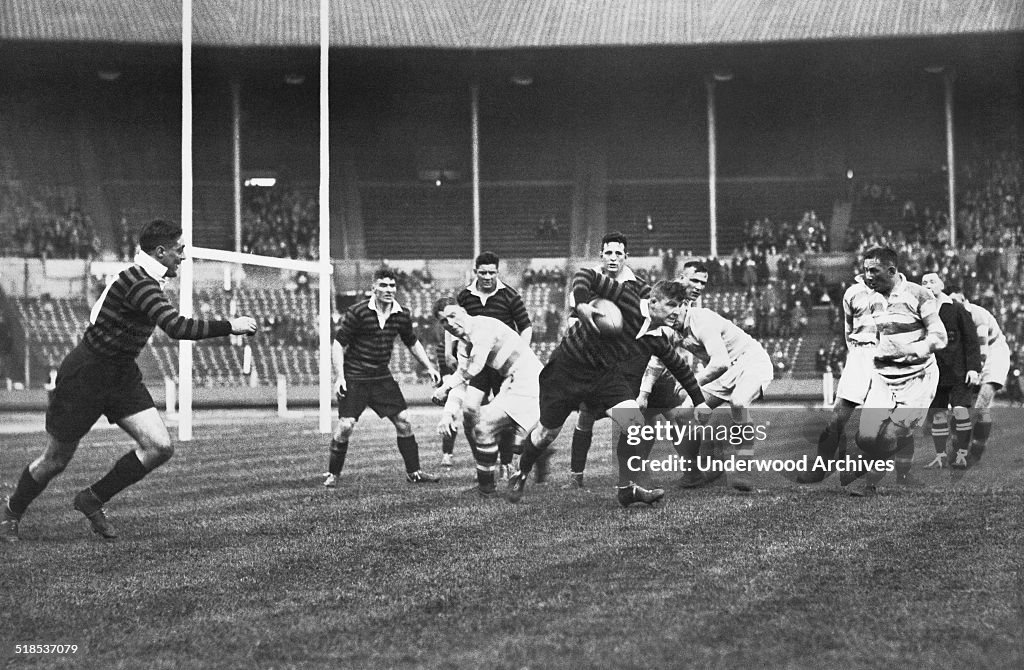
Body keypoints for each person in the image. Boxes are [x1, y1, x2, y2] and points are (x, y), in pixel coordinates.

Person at [1, 219, 258, 541]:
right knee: (54, 460)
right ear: (161, 252)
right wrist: (230, 325)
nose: (183, 257)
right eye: (180, 250)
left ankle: (92, 498)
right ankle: (11, 511)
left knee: (159, 447)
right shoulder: (140, 283)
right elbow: (176, 327)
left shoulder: (145, 279)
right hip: (86, 375)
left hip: (121, 373)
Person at [508, 274, 710, 506]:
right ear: (654, 302)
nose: (677, 312)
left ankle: (627, 490)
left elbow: (680, 367)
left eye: (680, 306)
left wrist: (700, 402)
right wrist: (582, 303)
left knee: (635, 425)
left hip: (603, 376)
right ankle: (521, 472)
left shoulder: (656, 337)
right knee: (546, 434)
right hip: (566, 370)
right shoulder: (626, 298)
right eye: (672, 305)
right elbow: (585, 275)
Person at [323, 268, 441, 488]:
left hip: (380, 376)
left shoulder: (401, 314)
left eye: (392, 286)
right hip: (355, 376)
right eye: (383, 285)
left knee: (404, 421)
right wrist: (340, 377)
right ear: (373, 288)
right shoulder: (358, 312)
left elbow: (411, 342)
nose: (389, 290)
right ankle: (333, 474)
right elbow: (339, 343)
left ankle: (414, 472)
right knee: (346, 426)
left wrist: (429, 366)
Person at [637, 302, 774, 492]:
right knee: (682, 415)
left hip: (749, 360)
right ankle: (704, 467)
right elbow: (657, 360)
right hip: (722, 372)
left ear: (684, 305)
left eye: (674, 306)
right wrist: (644, 394)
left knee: (739, 402)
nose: (671, 313)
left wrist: (691, 382)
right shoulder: (671, 328)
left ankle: (744, 469)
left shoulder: (702, 319)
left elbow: (720, 363)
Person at [846, 247, 946, 496]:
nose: (867, 276)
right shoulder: (872, 298)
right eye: (865, 270)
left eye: (873, 271)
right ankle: (876, 460)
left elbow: (940, 336)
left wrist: (919, 348)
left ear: (891, 270)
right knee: (866, 437)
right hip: (883, 377)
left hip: (917, 378)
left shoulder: (919, 295)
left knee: (891, 434)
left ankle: (868, 483)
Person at [431, 301, 542, 497]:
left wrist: (445, 388)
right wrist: (443, 391)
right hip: (512, 381)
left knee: (486, 427)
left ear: (464, 311)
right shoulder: (464, 343)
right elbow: (462, 371)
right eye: (444, 321)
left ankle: (490, 485)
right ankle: (489, 486)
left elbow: (475, 369)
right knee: (485, 428)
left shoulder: (483, 327)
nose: (450, 322)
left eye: (453, 315)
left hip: (527, 380)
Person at [565, 232, 650, 488]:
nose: (613, 258)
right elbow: (572, 320)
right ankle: (575, 477)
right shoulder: (586, 281)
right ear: (601, 254)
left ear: (626, 257)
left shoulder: (640, 287)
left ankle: (629, 478)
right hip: (594, 361)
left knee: (631, 420)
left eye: (618, 253)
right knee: (585, 415)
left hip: (626, 362)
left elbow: (646, 326)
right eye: (608, 253)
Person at [797, 263, 886, 484]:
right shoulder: (852, 293)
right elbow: (848, 329)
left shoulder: (895, 292)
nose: (871, 274)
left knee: (877, 422)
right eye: (868, 269)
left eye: (877, 269)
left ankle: (867, 474)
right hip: (859, 355)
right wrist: (856, 353)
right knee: (838, 416)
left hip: (885, 358)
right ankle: (821, 467)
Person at [447, 251, 532, 474]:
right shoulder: (465, 296)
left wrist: (521, 357)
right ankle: (483, 462)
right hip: (478, 365)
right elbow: (453, 321)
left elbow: (526, 327)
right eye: (482, 272)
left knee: (502, 415)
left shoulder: (510, 296)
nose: (487, 277)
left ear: (497, 272)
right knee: (469, 411)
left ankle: (505, 463)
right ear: (475, 272)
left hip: (502, 366)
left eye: (491, 272)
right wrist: (450, 350)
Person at [919, 275, 981, 472]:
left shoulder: (956, 308)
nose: (928, 285)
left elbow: (971, 340)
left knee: (960, 411)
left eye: (932, 282)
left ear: (942, 285)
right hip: (934, 371)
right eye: (924, 283)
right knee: (938, 415)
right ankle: (940, 457)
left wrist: (973, 368)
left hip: (959, 371)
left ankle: (962, 455)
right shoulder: (922, 311)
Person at [949, 287, 1011, 467]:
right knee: (960, 406)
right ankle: (959, 450)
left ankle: (975, 452)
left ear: (963, 299)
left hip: (994, 352)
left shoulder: (978, 315)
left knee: (982, 402)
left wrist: (975, 372)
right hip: (971, 356)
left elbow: (982, 350)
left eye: (956, 302)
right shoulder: (952, 317)